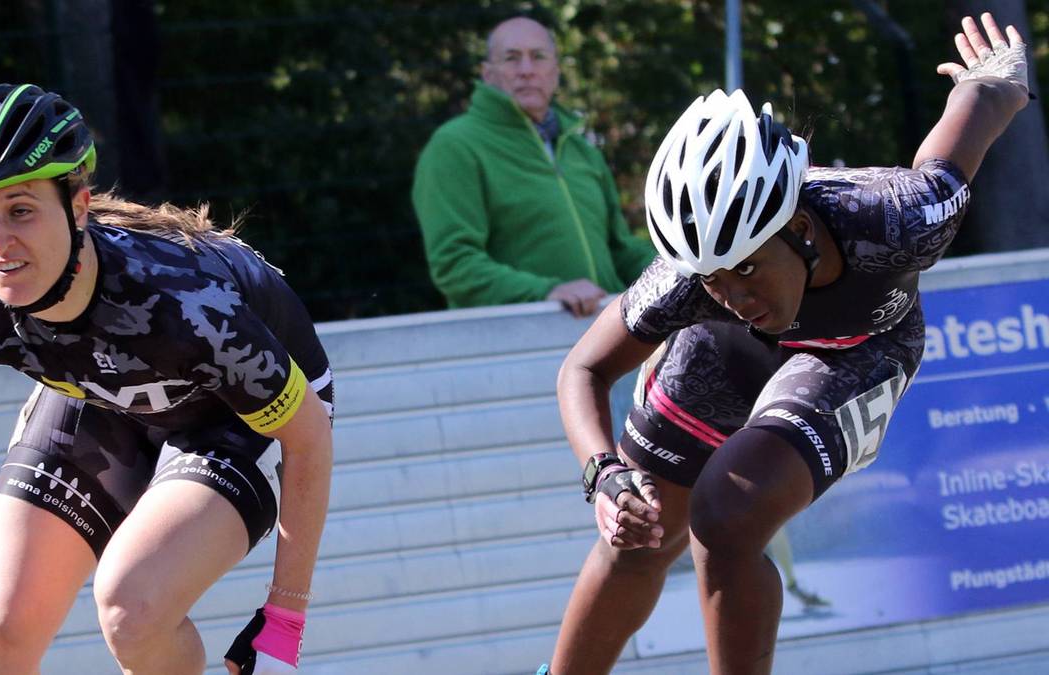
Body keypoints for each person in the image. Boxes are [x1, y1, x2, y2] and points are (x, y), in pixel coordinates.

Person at [541, 13, 1031, 675]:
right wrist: (604, 475)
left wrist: (997, 76)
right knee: (639, 536)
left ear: (799, 226)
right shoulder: (688, 283)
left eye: (746, 266)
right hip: (721, 356)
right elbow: (585, 368)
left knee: (728, 515)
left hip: (858, 348)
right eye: (713, 278)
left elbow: (985, 103)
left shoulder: (896, 218)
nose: (735, 292)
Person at [0, 83, 334, 675]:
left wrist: (285, 615)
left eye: (22, 211)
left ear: (78, 206)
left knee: (132, 608)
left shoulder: (184, 305)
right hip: (106, 394)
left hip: (227, 414)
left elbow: (308, 437)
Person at [412, 16, 657, 318]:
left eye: (538, 57)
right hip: (516, 344)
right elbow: (455, 265)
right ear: (487, 73)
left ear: (555, 71)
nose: (526, 70)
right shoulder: (454, 146)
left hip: (607, 335)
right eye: (511, 58)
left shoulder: (582, 149)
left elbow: (620, 249)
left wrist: (681, 270)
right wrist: (547, 293)